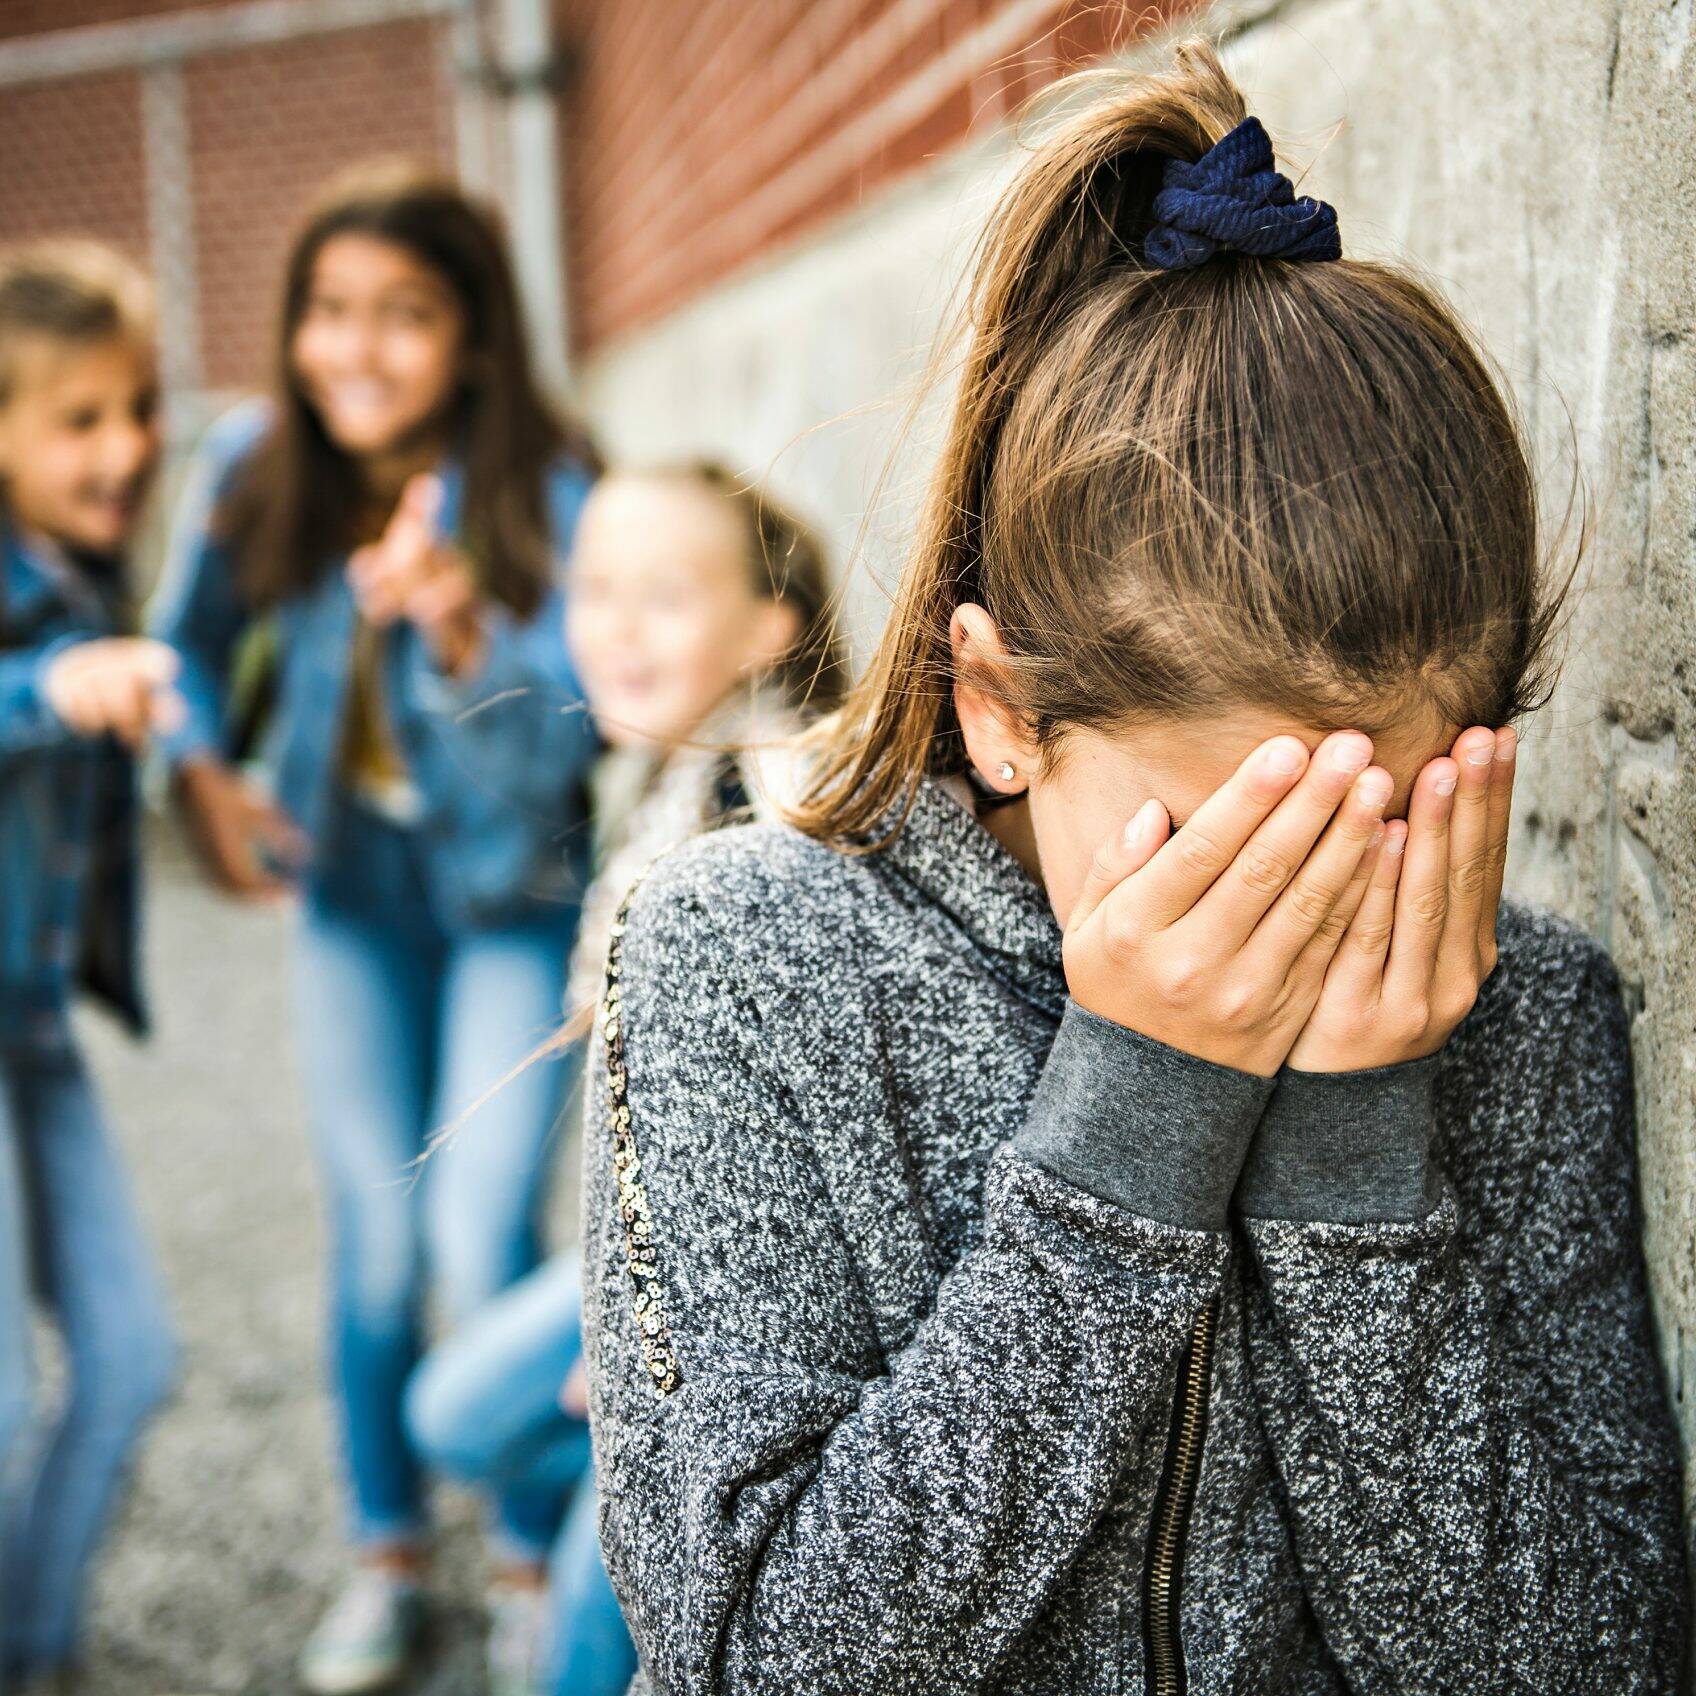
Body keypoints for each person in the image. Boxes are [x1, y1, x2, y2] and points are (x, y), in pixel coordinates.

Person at [580, 42, 1686, 1696]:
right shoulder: (740, 961)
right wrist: (1135, 1127)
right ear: (1001, 710)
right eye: (1225, 845)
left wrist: (1357, 1160)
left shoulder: (1517, 1016)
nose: (1297, 919)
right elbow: (752, 1658)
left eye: (1368, 833)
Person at [149, 163, 600, 1696]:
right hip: (352, 903)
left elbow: (562, 759)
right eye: (330, 312)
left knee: (480, 1233)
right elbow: (181, 654)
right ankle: (387, 1551)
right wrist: (198, 780)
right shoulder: (253, 463)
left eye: (404, 317)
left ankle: (537, 1545)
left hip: (505, 907)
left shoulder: (550, 487)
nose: (356, 348)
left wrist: (461, 627)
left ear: (473, 339)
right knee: (378, 1248)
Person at [405, 460, 845, 1696]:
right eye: (594, 589)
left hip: (729, 1296)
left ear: (768, 628)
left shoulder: (776, 808)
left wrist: (643, 1336)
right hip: (642, 1256)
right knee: (451, 1415)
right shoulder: (659, 778)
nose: (617, 627)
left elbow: (795, 1129)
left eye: (664, 594)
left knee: (584, 1654)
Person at [0, 241, 182, 1696]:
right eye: (79, 418)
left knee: (129, 1361)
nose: (124, 446)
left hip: (34, 1023)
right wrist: (46, 691)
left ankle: (35, 1648)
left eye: (140, 408)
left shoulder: (92, 578)